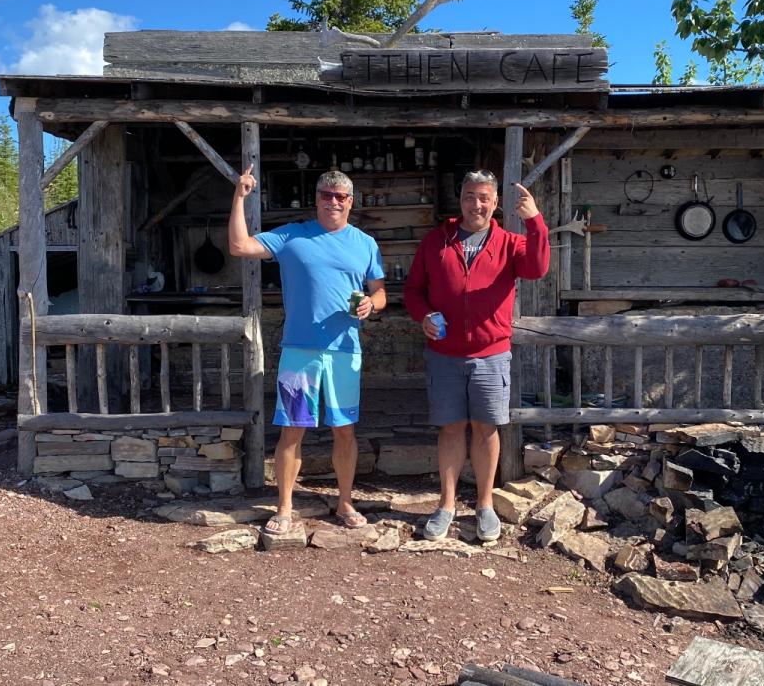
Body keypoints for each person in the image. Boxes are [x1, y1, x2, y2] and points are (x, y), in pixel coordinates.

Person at [227, 166, 386, 535]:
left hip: (345, 352)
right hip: (300, 351)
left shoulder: (365, 243)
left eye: (340, 196)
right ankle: (284, 508)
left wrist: (372, 305)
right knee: (292, 430)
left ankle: (345, 502)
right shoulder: (292, 236)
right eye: (326, 195)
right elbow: (239, 246)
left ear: (351, 202)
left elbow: (380, 291)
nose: (333, 201)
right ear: (316, 200)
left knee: (344, 430)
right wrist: (239, 197)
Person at [405, 170, 549, 542]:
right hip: (444, 354)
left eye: (484, 197)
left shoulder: (509, 242)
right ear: (461, 200)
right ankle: (447, 505)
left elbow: (537, 268)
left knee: (486, 430)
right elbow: (414, 291)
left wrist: (535, 221)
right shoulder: (437, 241)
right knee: (451, 428)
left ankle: (484, 505)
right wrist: (424, 316)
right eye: (470, 196)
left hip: (491, 354)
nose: (477, 204)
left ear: (495, 203)